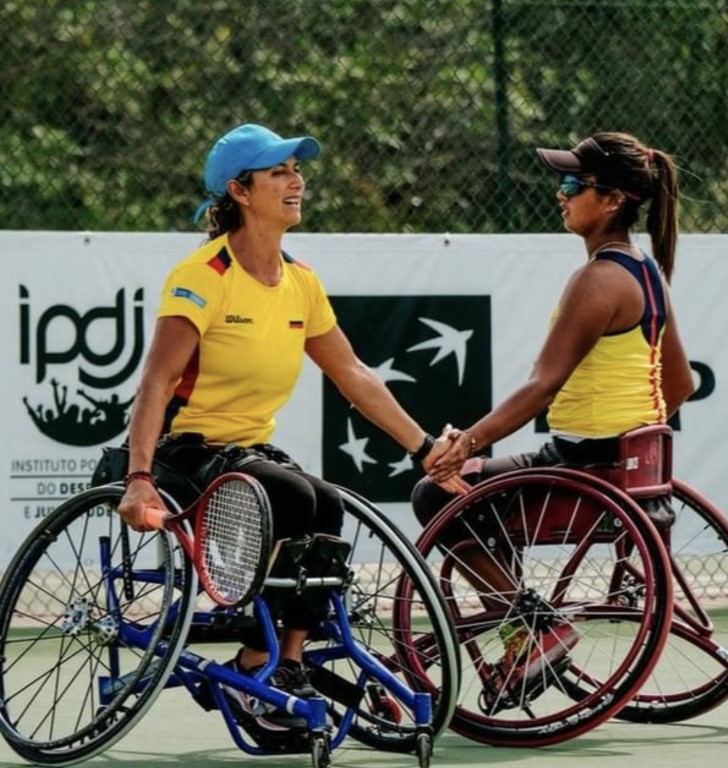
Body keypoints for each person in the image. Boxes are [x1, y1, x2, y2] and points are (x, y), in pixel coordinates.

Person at [116, 122, 461, 738]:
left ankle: (277, 661)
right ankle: (266, 661)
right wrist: (138, 478)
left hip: (247, 454)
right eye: (279, 172)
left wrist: (425, 447)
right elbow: (157, 382)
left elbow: (353, 373)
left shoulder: (300, 280)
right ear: (240, 191)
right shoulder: (203, 276)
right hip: (179, 452)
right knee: (295, 493)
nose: (296, 179)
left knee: (326, 502)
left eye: (297, 170)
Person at [413, 131, 695, 695]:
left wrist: (465, 444)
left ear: (613, 199)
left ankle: (534, 629)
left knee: (433, 496)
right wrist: (634, 441)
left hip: (585, 468)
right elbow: (680, 385)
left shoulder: (597, 280)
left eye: (573, 184)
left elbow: (543, 386)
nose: (560, 194)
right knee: (476, 491)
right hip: (623, 469)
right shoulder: (645, 272)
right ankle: (529, 629)